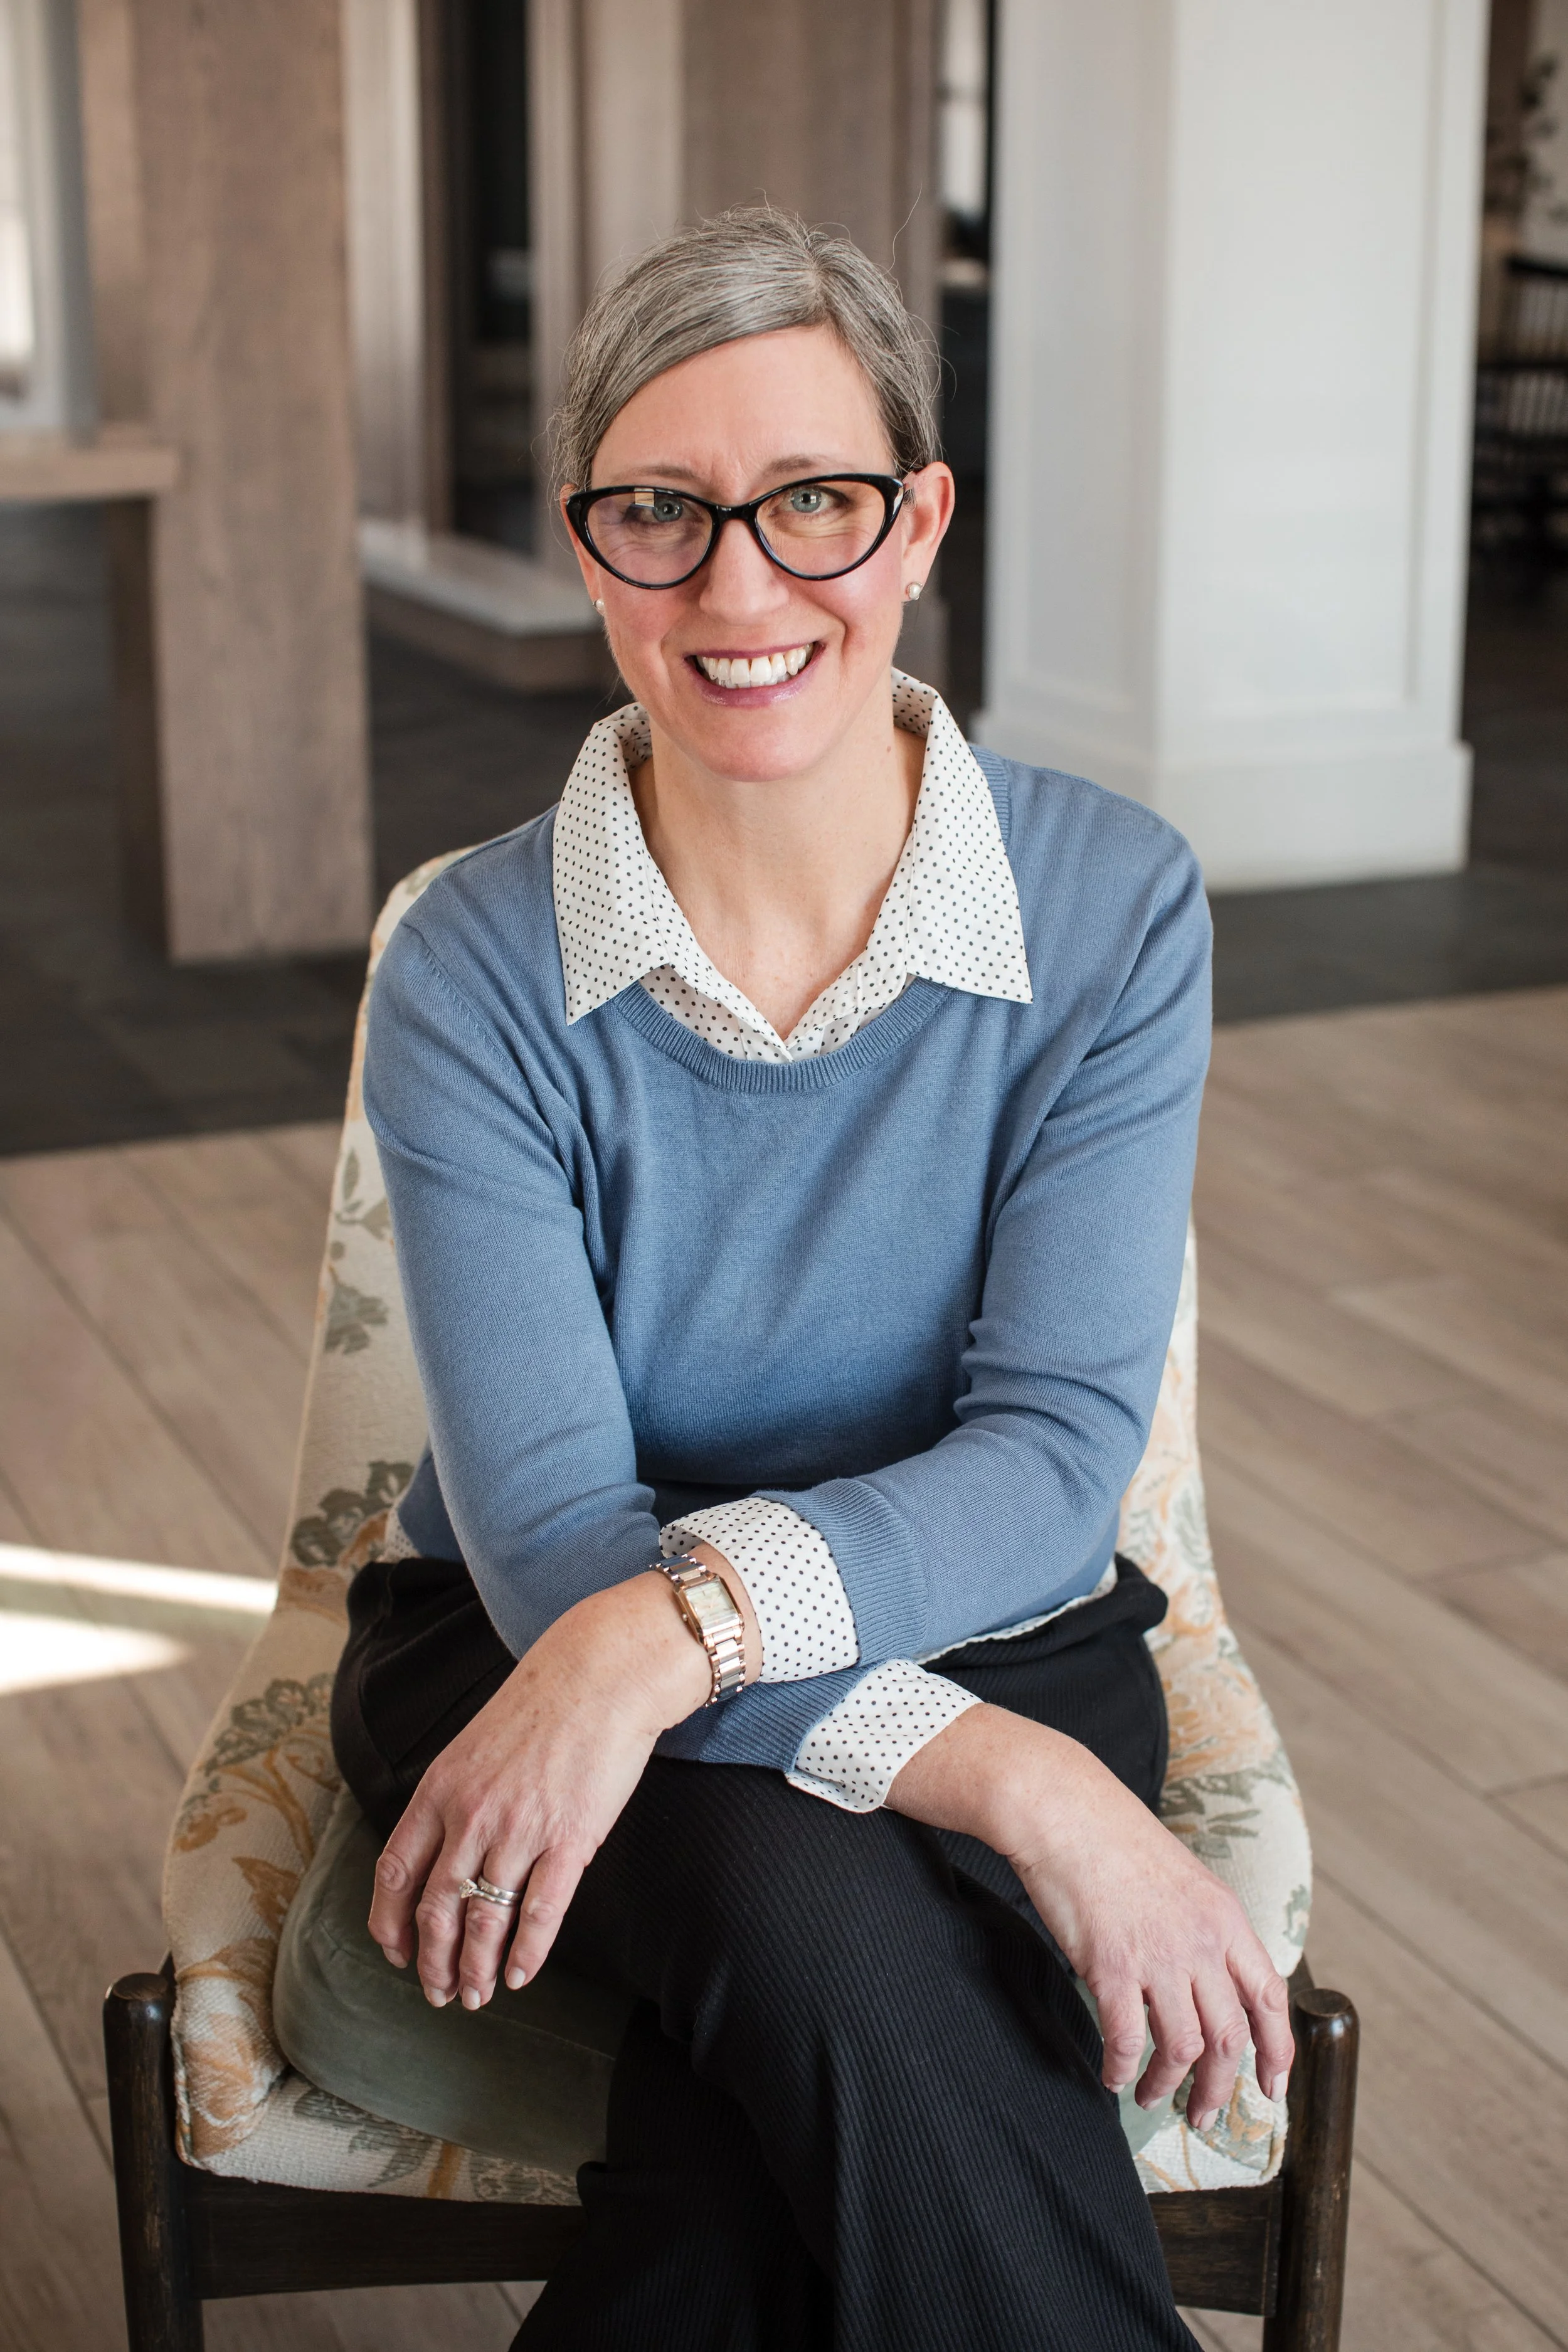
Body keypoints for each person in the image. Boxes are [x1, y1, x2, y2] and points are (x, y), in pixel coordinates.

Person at [328, 206, 1293, 2349]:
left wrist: (667, 1642)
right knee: (813, 1908)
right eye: (660, 514)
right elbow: (555, 1542)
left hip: (970, 1615)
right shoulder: (475, 964)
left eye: (815, 505)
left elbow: (1051, 1457)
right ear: (591, 550)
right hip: (512, 1647)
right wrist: (1023, 1788)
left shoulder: (1110, 905)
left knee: (757, 2068)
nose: (739, 587)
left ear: (917, 519)